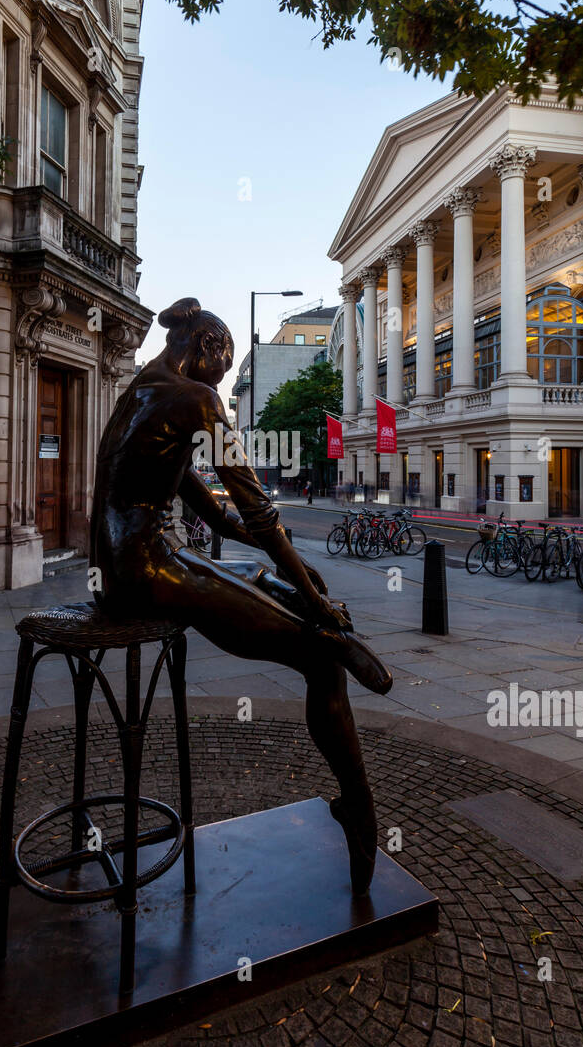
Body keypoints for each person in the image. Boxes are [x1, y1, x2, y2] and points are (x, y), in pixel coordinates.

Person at [90, 298, 392, 893]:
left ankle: (327, 625)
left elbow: (212, 508)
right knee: (316, 657)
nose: (221, 387)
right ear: (204, 350)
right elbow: (255, 506)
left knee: (263, 582)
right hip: (147, 571)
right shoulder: (196, 400)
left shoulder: (143, 391)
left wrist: (292, 573)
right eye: (223, 372)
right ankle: (358, 807)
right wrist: (307, 580)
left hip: (132, 564)